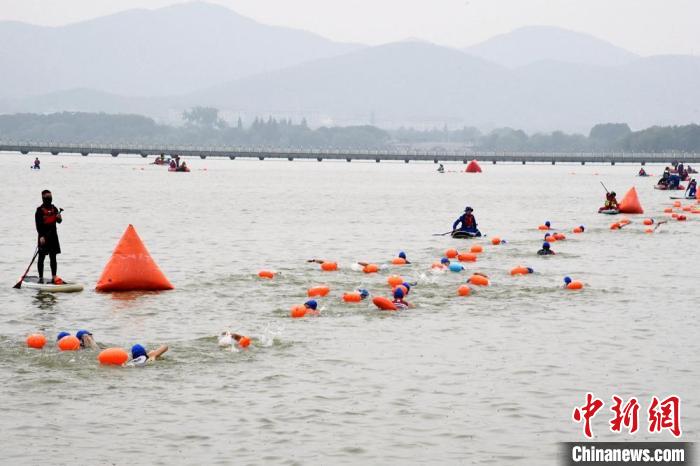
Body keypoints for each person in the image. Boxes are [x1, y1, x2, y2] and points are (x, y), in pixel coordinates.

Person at [35, 190, 62, 284]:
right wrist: (41, 236)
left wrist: (59, 218)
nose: (49, 198)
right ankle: (41, 277)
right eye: (47, 197)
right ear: (43, 198)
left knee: (53, 257)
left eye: (50, 196)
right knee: (41, 257)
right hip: (43, 237)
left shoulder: (54, 208)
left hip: (53, 236)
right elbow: (38, 225)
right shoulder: (39, 210)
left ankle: (54, 276)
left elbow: (59, 221)